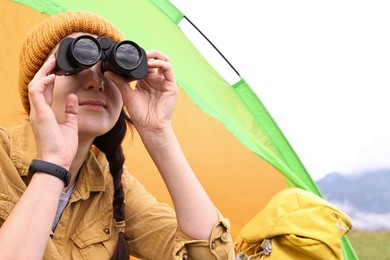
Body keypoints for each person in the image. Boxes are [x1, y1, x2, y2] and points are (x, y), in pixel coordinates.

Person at [0, 11, 235, 260]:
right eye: (76, 63)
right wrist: (53, 164)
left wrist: (159, 132)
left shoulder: (112, 185)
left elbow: (210, 257)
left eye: (108, 70)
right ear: (37, 82)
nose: (95, 82)